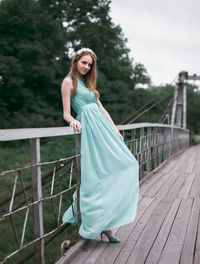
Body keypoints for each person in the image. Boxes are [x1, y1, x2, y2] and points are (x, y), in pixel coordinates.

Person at [61, 48, 139, 243]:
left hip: (103, 130)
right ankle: (105, 227)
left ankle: (107, 224)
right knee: (95, 176)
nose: (87, 67)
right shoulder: (68, 82)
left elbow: (102, 109)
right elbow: (66, 113)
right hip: (89, 130)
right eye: (84, 62)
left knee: (128, 165)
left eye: (90, 64)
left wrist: (116, 130)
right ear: (76, 61)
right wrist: (73, 121)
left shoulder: (89, 85)